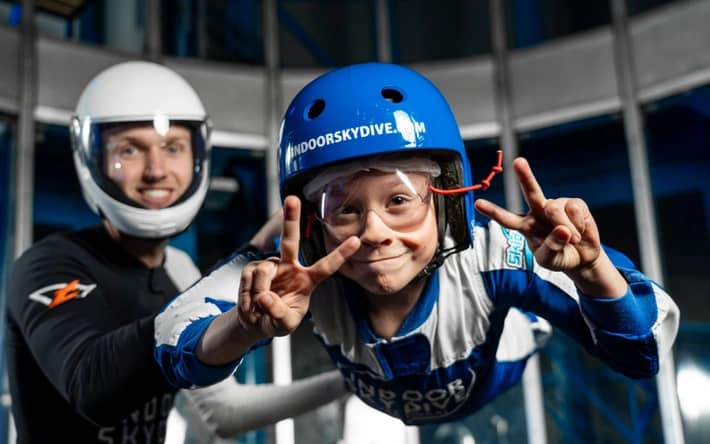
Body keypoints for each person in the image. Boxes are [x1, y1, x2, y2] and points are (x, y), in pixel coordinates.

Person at [154, 62, 680, 425]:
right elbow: (172, 339)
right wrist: (242, 325)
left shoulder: (495, 253)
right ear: (312, 222)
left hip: (499, 354)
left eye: (401, 199)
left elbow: (644, 352)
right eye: (345, 207)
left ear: (450, 198)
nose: (375, 231)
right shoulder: (297, 264)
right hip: (377, 381)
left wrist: (590, 271)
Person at [5, 61, 346, 444]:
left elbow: (223, 412)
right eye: (130, 150)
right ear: (92, 159)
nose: (156, 170)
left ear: (197, 155)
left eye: (173, 148)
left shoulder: (180, 268)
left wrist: (349, 378)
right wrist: (243, 263)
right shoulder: (47, 264)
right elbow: (89, 386)